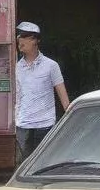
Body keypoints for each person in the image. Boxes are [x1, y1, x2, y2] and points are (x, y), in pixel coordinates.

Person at [14, 21, 69, 160]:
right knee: (23, 164)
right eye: (19, 36)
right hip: (22, 124)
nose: (19, 40)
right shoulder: (16, 67)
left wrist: (69, 116)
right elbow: (17, 95)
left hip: (45, 124)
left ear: (34, 40)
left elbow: (62, 94)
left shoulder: (51, 66)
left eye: (23, 37)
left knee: (43, 162)